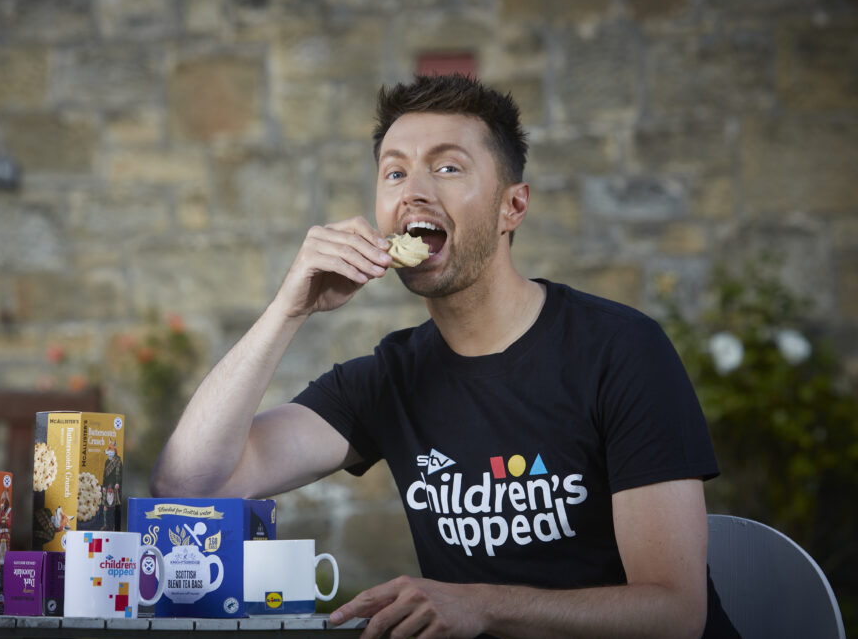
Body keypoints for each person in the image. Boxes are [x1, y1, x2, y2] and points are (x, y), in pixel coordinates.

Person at [152, 74, 738, 638]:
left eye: (448, 167)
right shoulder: (389, 379)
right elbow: (189, 489)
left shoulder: (620, 350)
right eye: (395, 172)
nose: (414, 191)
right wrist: (289, 309)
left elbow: (674, 613)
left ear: (514, 207)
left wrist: (481, 605)